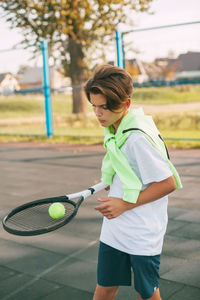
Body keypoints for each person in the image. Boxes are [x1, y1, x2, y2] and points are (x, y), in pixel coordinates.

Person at [84, 64, 182, 300]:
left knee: (146, 293)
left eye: (105, 108)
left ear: (125, 104)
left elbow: (168, 183)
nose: (98, 114)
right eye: (94, 106)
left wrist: (124, 204)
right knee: (105, 287)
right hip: (116, 228)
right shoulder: (117, 127)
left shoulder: (136, 137)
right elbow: (130, 169)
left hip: (142, 231)